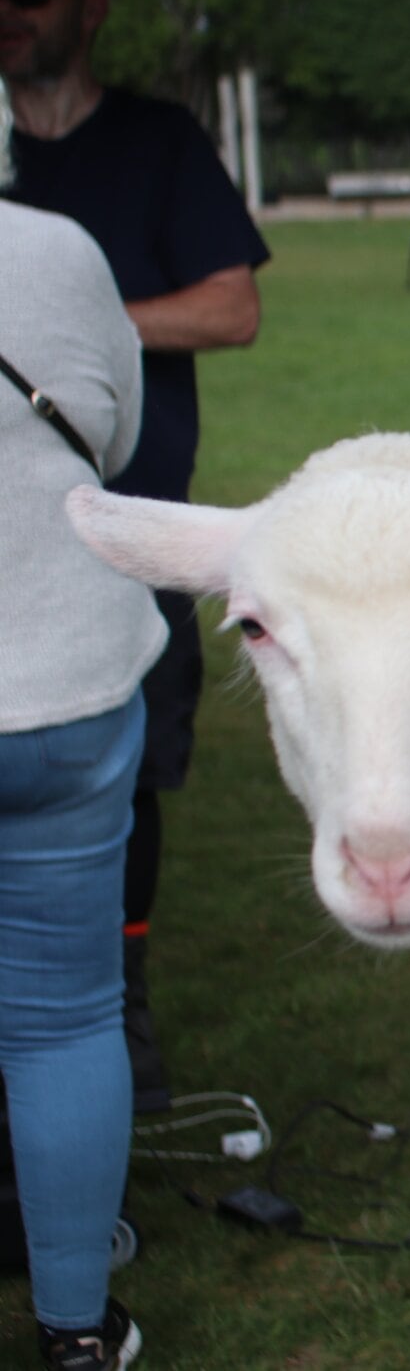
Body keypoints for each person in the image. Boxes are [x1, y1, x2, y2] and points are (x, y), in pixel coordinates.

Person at [0, 0, 268, 1113]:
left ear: (91, 5)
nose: (10, 10)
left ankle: (121, 1000)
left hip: (132, 522)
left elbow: (231, 309)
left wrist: (77, 329)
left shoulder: (156, 141)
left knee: (135, 779)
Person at [1, 94, 160, 1370]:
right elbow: (111, 435)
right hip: (66, 679)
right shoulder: (58, 251)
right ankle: (74, 1329)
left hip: (63, 673)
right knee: (63, 1017)